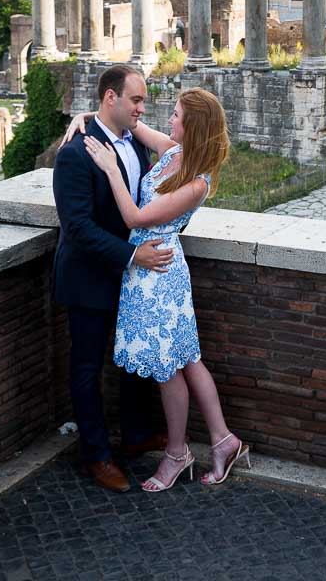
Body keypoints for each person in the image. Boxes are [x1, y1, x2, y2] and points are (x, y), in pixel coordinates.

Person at [66, 87, 250, 493]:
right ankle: (224, 441)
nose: (170, 119)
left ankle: (177, 454)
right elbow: (127, 122)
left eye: (178, 115)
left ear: (194, 127)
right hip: (150, 272)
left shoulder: (196, 183)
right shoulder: (172, 152)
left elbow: (134, 217)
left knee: (171, 368)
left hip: (159, 276)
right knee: (186, 360)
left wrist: (112, 170)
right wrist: (85, 117)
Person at [53, 65, 172, 493]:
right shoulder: (74, 154)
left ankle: (137, 435)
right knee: (86, 368)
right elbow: (78, 227)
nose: (143, 108)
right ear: (110, 99)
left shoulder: (133, 141)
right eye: (137, 100)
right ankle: (97, 455)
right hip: (89, 277)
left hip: (128, 275)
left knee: (133, 358)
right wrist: (133, 255)